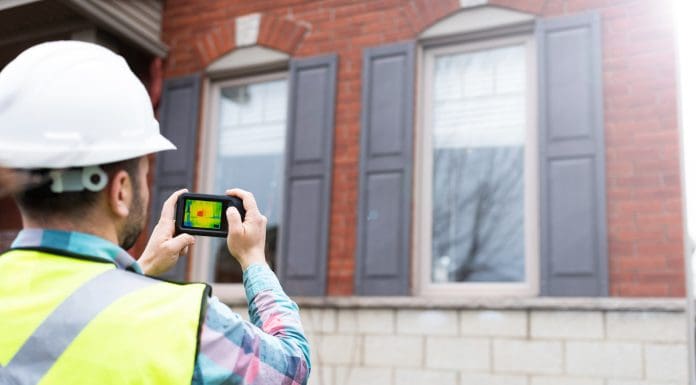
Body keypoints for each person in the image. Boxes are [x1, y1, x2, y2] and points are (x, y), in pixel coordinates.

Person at [0, 41, 310, 385]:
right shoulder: (187, 324)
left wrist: (138, 272)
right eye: (145, 173)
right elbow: (292, 367)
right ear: (121, 190)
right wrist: (254, 260)